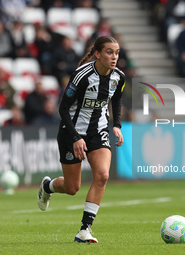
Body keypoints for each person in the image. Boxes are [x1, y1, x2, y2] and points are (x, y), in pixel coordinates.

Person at [37, 36, 125, 243]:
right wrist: (76, 137)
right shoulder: (81, 75)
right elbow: (63, 108)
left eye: (117, 52)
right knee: (72, 188)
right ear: (97, 54)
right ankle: (48, 187)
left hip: (99, 130)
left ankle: (84, 230)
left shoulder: (119, 77)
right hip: (71, 132)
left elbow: (117, 99)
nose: (114, 57)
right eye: (109, 52)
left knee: (102, 175)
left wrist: (117, 125)